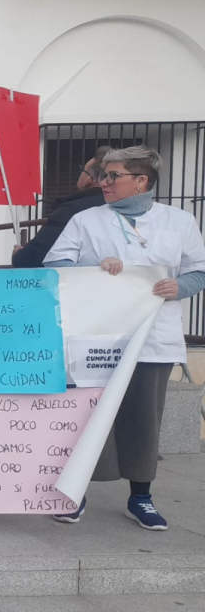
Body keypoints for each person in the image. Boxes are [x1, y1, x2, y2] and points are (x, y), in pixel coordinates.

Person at [44, 146, 205, 531]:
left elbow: (199, 272)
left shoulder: (179, 221)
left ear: (141, 181)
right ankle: (74, 490)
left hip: (153, 337)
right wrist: (93, 268)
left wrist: (178, 286)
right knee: (88, 416)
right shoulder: (87, 220)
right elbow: (55, 265)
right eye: (103, 174)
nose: (103, 182)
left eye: (112, 175)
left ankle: (141, 497)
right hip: (97, 340)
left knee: (144, 419)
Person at [12, 145, 110, 268]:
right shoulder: (119, 207)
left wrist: (19, 254)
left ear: (88, 180)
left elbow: (36, 255)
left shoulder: (70, 210)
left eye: (83, 171)